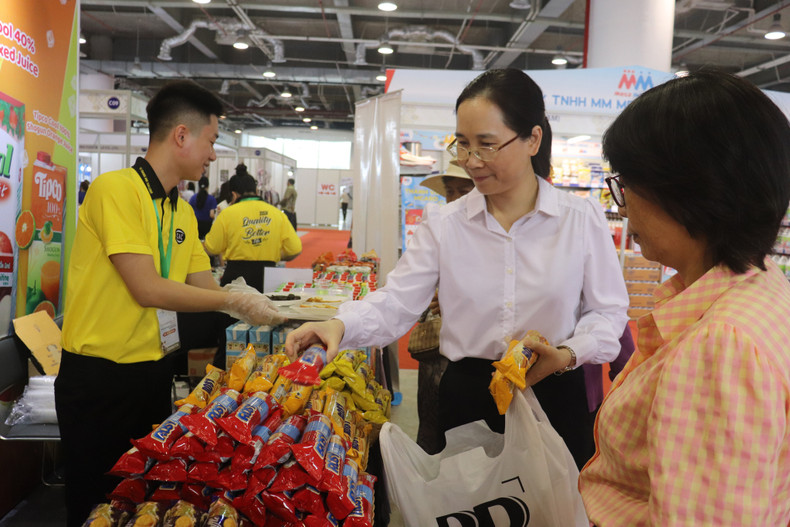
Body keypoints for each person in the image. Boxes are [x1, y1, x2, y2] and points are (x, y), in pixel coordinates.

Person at [285, 68, 629, 468]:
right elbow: (398, 302)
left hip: (551, 392)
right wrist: (339, 327)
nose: (470, 162)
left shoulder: (579, 218)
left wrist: (570, 352)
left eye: (486, 145)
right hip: (469, 398)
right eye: (462, 145)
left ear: (533, 139)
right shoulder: (443, 223)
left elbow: (608, 313)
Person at [55, 80, 284, 527]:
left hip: (154, 373)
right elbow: (147, 287)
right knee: (95, 505)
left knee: (145, 504)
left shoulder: (180, 211)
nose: (214, 155)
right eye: (212, 141)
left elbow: (201, 283)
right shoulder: (115, 190)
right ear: (181, 135)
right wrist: (234, 301)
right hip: (100, 378)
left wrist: (256, 300)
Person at [578, 70, 790, 525]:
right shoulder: (761, 283)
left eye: (626, 183)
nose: (621, 205)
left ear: (687, 190)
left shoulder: (720, 345)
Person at [412, 160, 475, 454]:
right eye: (450, 192)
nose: (455, 200)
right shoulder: (440, 230)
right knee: (435, 430)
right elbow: (411, 290)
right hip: (439, 355)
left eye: (465, 191)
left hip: (478, 363)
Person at [204, 172, 303, 293]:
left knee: (234, 311)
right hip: (268, 278)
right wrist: (274, 254)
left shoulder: (227, 214)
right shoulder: (276, 214)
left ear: (234, 195)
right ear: (256, 191)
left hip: (236, 278)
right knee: (266, 310)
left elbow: (211, 248)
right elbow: (295, 249)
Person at [189, 175, 217, 239]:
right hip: (207, 228)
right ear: (208, 186)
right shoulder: (212, 199)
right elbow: (212, 215)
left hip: (195, 226)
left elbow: (189, 213)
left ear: (198, 186)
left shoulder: (193, 198)